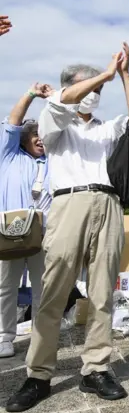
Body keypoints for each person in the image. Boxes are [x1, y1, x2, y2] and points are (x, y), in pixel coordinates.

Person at [6, 44, 129, 413]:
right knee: (54, 292)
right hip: (69, 203)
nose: (95, 93)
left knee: (102, 293)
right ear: (71, 87)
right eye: (90, 87)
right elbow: (65, 99)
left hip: (109, 202)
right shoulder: (53, 120)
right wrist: (105, 73)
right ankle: (38, 374)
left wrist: (124, 75)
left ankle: (96, 368)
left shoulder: (106, 128)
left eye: (99, 90)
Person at [0, 83, 54, 358]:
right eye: (35, 135)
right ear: (24, 139)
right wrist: (31, 94)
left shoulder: (55, 160)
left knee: (43, 288)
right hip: (9, 230)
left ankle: (41, 338)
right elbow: (13, 122)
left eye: (44, 135)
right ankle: (4, 337)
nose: (41, 139)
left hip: (44, 233)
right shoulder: (8, 155)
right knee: (5, 287)